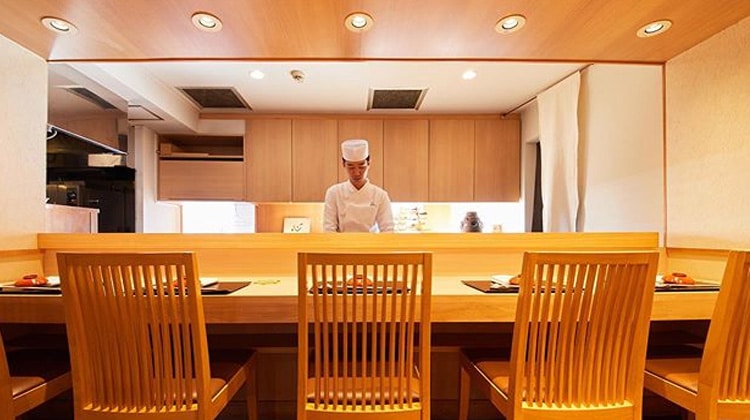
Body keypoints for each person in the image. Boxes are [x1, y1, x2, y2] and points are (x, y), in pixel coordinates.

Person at [324, 139, 395, 232]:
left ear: (369, 162)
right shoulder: (334, 193)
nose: (357, 172)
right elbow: (329, 229)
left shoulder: (380, 195)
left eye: (361, 166)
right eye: (351, 167)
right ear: (343, 164)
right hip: (342, 244)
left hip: (371, 245)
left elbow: (388, 229)